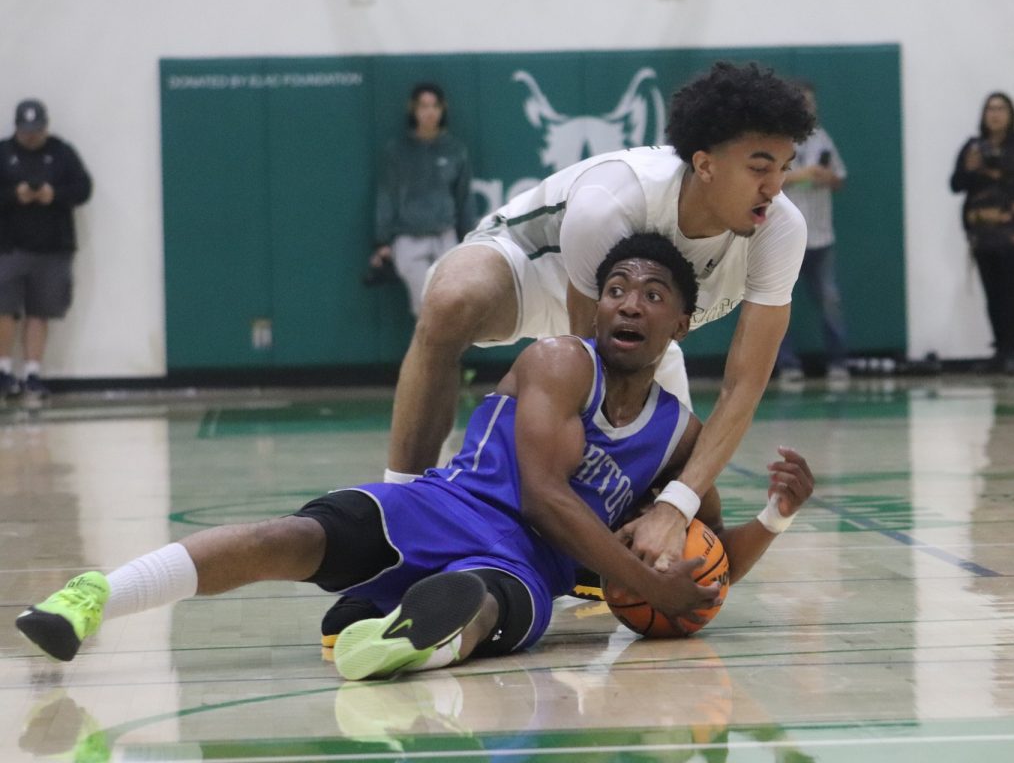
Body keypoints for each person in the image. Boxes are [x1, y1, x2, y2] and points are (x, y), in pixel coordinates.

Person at [15, 234, 815, 681]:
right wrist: (644, 582)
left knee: (486, 600)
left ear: (681, 323)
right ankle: (96, 595)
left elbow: (704, 561)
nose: (627, 302)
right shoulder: (563, 362)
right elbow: (543, 496)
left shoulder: (679, 435)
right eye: (615, 287)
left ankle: (404, 637)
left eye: (650, 294)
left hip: (525, 570)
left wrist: (775, 515)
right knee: (290, 539)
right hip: (443, 505)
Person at [384, 61, 813, 570]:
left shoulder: (781, 229)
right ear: (705, 164)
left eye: (785, 168)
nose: (775, 186)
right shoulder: (614, 199)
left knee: (685, 490)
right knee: (450, 299)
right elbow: (588, 368)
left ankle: (598, 562)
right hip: (539, 268)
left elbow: (743, 387)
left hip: (638, 328)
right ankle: (398, 515)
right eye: (759, 169)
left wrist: (676, 507)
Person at [0, 99, 93, 402]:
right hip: (9, 247)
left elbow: (83, 189)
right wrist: (14, 196)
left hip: (52, 248)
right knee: (4, 310)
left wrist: (54, 195)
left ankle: (32, 373)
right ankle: (3, 372)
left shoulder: (61, 152)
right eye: (26, 131)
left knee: (40, 312)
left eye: (37, 130)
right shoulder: (3, 153)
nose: (31, 136)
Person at [950, 92, 1014, 377]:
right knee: (991, 294)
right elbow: (956, 184)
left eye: (1001, 108)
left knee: (1010, 291)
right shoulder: (973, 148)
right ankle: (999, 353)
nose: (995, 114)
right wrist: (969, 169)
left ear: (1011, 113)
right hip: (981, 233)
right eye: (990, 109)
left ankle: (1011, 353)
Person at [366, 83, 474, 317]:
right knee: (426, 304)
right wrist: (381, 241)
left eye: (434, 106)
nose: (429, 112)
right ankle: (433, 353)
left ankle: (448, 354)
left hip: (445, 235)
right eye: (423, 106)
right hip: (409, 238)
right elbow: (386, 196)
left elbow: (463, 197)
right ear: (413, 109)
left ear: (442, 109)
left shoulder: (455, 149)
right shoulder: (397, 151)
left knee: (451, 301)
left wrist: (471, 238)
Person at [773, 82, 850, 388]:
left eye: (810, 102)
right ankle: (787, 365)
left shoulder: (822, 137)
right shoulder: (776, 139)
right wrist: (800, 176)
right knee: (778, 304)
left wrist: (826, 177)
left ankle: (838, 362)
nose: (807, 107)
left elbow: (840, 178)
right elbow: (766, 179)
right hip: (784, 238)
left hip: (821, 237)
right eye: (800, 101)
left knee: (830, 300)